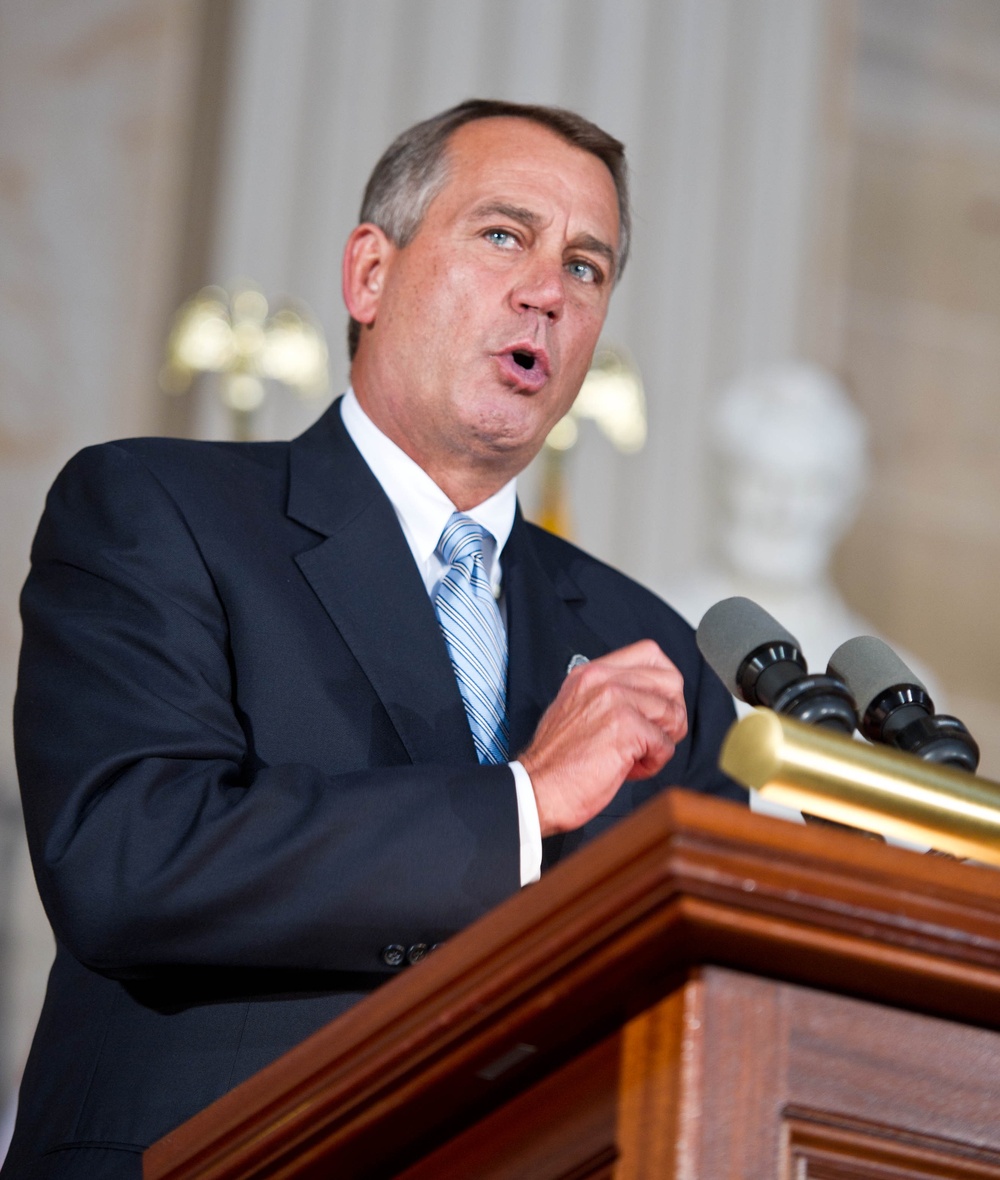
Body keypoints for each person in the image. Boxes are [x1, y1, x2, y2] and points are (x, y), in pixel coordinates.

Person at [2, 99, 742, 1179]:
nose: (547, 288)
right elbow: (131, 856)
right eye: (503, 235)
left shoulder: (650, 647)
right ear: (370, 275)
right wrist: (522, 808)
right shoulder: (158, 511)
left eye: (587, 267)